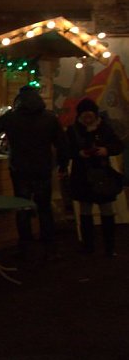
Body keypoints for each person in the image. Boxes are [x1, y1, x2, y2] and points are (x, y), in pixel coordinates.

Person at [0, 84, 69, 258]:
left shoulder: (12, 117)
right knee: (44, 207)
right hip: (43, 168)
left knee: (22, 206)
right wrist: (63, 165)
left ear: (20, 100)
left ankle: (25, 244)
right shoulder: (50, 118)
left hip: (20, 169)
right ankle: (49, 244)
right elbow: (62, 144)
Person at [65, 98, 123, 256]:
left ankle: (108, 247)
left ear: (95, 115)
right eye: (85, 115)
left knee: (105, 209)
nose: (87, 118)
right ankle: (89, 246)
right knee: (86, 210)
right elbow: (66, 150)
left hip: (101, 175)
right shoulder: (73, 130)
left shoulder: (104, 128)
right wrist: (79, 154)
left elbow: (118, 146)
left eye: (90, 115)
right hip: (83, 175)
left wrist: (106, 150)